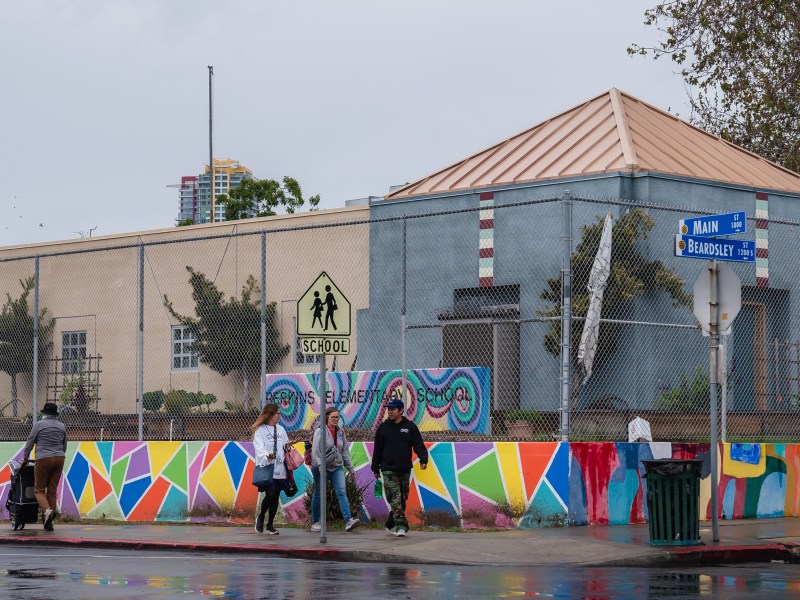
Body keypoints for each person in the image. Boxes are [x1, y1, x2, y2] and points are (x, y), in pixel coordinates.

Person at [371, 398, 428, 537]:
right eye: (388, 409)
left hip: (404, 469)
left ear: (401, 410)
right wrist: (375, 468)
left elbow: (418, 444)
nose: (389, 411)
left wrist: (423, 459)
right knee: (395, 498)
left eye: (393, 409)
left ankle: (390, 523)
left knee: (402, 499)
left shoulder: (410, 427)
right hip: (387, 469)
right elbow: (377, 449)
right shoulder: (383, 428)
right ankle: (401, 526)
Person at [310, 407, 360, 532]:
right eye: (333, 417)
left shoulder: (341, 432)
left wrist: (351, 469)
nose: (335, 419)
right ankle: (316, 522)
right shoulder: (320, 431)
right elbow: (315, 452)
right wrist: (321, 468)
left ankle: (348, 521)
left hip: (336, 466)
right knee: (319, 493)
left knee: (341, 491)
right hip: (321, 467)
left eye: (337, 417)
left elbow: (345, 452)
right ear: (327, 417)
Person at [21, 402, 67, 531]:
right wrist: (58, 453)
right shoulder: (62, 426)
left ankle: (47, 511)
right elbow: (64, 446)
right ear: (55, 414)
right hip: (59, 458)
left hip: (43, 458)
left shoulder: (38, 425)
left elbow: (30, 442)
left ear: (44, 414)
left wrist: (25, 458)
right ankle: (49, 523)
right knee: (52, 491)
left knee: (39, 490)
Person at [251, 403, 292, 535]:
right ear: (270, 414)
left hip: (280, 468)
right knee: (270, 493)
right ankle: (262, 516)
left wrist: (289, 445)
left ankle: (270, 525)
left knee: (276, 496)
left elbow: (284, 446)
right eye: (278, 413)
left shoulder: (281, 429)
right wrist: (267, 456)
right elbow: (259, 448)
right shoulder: (260, 430)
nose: (280, 416)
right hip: (268, 468)